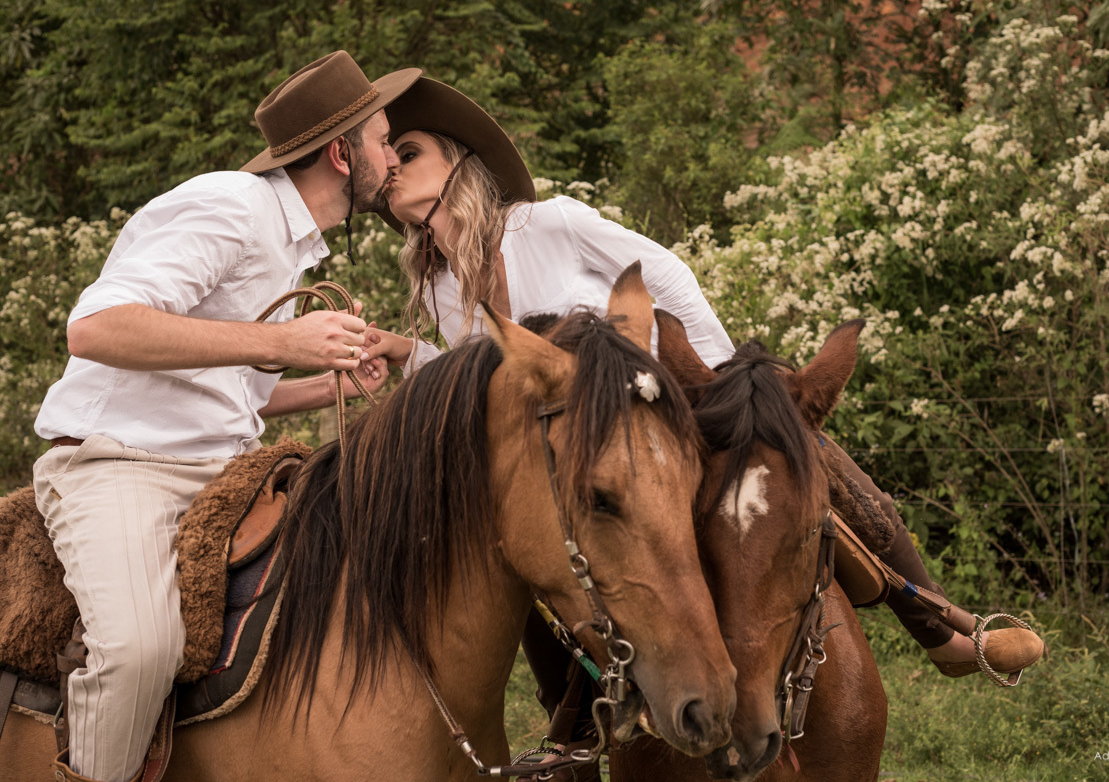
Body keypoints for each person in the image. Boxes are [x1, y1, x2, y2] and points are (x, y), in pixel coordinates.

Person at [363, 77, 1045, 680]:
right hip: (585, 445)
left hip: (665, 400)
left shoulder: (550, 224)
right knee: (521, 545)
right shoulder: (440, 287)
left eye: (411, 150)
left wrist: (715, 384)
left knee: (803, 454)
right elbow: (498, 375)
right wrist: (405, 351)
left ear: (460, 161)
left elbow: (665, 276)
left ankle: (940, 630)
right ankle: (573, 719)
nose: (391, 165)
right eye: (387, 155)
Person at [32, 51, 420, 782]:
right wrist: (284, 340)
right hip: (121, 463)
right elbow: (97, 327)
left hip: (226, 471)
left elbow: (231, 390)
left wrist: (324, 373)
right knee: (138, 652)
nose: (392, 157)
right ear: (341, 154)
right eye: (381, 140)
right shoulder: (230, 206)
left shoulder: (290, 242)